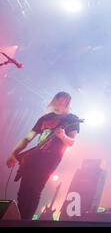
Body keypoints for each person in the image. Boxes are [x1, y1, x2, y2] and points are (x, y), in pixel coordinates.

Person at [6, 91, 80, 219]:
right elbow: (28, 138)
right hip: (34, 156)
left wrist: (62, 136)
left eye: (65, 101)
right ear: (54, 100)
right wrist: (14, 153)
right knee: (22, 191)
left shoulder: (71, 119)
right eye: (60, 99)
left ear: (68, 104)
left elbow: (72, 142)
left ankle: (26, 221)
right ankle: (19, 219)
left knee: (35, 189)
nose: (62, 102)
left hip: (51, 158)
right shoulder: (44, 118)